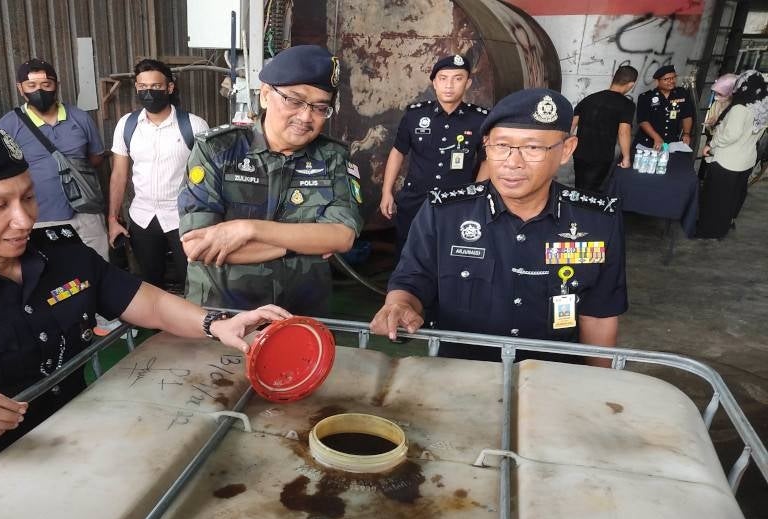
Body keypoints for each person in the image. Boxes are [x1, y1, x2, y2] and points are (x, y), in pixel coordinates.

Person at [0, 127, 289, 499]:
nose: (24, 220)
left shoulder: (62, 253)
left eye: (28, 197)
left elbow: (147, 301)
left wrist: (215, 323)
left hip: (86, 450)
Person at [370, 88, 628, 367]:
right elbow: (411, 281)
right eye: (501, 146)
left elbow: (599, 317)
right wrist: (400, 306)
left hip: (554, 382)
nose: (512, 163)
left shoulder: (598, 222)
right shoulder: (443, 213)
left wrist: (598, 390)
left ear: (566, 150)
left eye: (533, 148)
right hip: (460, 376)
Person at [178, 44, 363, 316]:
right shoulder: (217, 150)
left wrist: (248, 229)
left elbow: (343, 236)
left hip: (301, 312)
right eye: (294, 101)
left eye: (320, 107)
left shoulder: (332, 157)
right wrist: (305, 245)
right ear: (265, 95)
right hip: (222, 311)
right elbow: (198, 246)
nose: (305, 116)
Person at [108, 59, 209, 291]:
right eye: (142, 87)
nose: (149, 93)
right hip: (142, 218)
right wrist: (113, 220)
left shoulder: (194, 125)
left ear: (169, 88)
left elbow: (209, 178)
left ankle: (192, 327)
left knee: (195, 282)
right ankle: (155, 328)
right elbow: (119, 175)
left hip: (184, 219)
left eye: (155, 87)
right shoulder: (127, 125)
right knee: (148, 285)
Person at [0, 58, 108, 261]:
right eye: (31, 85)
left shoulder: (79, 117)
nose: (39, 90)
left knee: (98, 270)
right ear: (20, 89)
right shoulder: (9, 125)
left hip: (86, 213)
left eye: (46, 84)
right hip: (39, 218)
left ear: (57, 85)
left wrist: (72, 173)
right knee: (53, 281)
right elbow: (0, 170)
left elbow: (97, 157)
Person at [379, 54, 488, 257]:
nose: (449, 85)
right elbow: (398, 152)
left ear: (468, 83)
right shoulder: (415, 115)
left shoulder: (480, 119)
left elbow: (486, 161)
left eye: (458, 78)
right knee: (407, 252)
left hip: (458, 201)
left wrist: (476, 196)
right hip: (415, 198)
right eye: (443, 78)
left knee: (450, 254)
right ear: (434, 83)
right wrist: (387, 192)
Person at [697, 71, 768, 239]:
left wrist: (711, 144)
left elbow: (731, 135)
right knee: (731, 198)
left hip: (727, 161)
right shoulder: (761, 107)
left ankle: (708, 231)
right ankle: (722, 228)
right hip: (746, 160)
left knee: (715, 198)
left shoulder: (740, 108)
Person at [570, 65, 637, 191]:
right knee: (593, 191)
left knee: (579, 186)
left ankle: (575, 207)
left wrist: (565, 148)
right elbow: (624, 132)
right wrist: (626, 157)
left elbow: (572, 125)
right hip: (601, 156)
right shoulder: (627, 105)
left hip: (579, 153)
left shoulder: (589, 99)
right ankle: (585, 209)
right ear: (631, 84)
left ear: (613, 78)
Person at [634, 65, 694, 149]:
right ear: (657, 81)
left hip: (671, 142)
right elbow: (643, 121)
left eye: (673, 78)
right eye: (666, 79)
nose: (671, 81)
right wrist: (656, 137)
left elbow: (687, 116)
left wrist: (686, 133)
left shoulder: (681, 94)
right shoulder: (646, 97)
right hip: (648, 142)